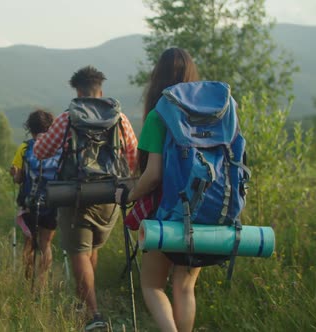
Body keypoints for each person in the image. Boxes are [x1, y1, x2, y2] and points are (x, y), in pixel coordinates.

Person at [34, 66, 138, 330]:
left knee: (78, 252)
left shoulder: (67, 118)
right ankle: (84, 305)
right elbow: (133, 157)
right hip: (109, 196)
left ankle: (93, 315)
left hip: (75, 194)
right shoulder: (120, 119)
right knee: (91, 250)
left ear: (78, 92)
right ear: (100, 91)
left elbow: (43, 151)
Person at [121, 48, 218, 332]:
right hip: (206, 210)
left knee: (152, 286)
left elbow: (152, 176)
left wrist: (130, 195)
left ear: (158, 78)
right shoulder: (211, 114)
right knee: (185, 289)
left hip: (168, 212)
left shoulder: (159, 115)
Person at [10, 109, 61, 286]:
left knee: (29, 242)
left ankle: (28, 282)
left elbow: (18, 179)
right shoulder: (60, 147)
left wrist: (15, 174)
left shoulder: (25, 148)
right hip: (53, 202)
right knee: (45, 243)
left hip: (29, 203)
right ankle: (42, 282)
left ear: (30, 128)